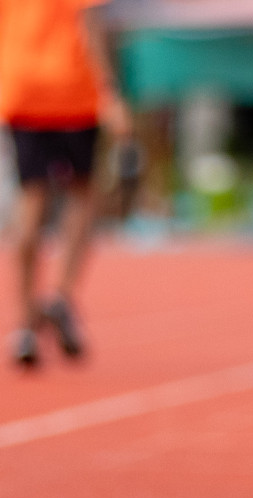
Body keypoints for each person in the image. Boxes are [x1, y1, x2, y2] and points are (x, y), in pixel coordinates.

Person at [2, 0, 130, 367]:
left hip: (21, 91)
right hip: (73, 91)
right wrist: (110, 94)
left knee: (31, 201)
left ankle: (25, 320)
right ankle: (60, 294)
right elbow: (89, 24)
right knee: (82, 195)